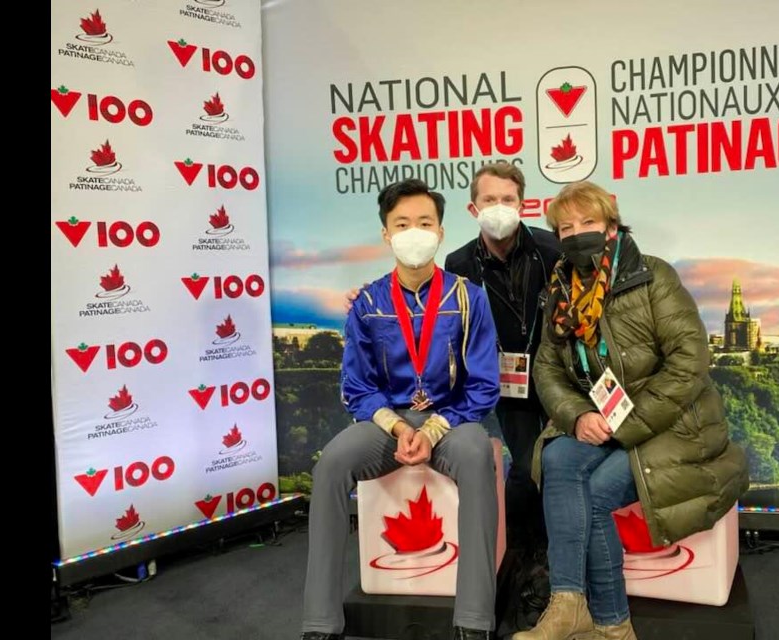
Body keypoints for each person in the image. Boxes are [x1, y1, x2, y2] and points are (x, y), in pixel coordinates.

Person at [516, 181, 750, 640]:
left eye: (588, 222)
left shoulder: (653, 276)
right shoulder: (559, 293)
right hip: (602, 422)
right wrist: (577, 416)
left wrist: (627, 421)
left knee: (598, 493)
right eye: (566, 227)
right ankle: (568, 603)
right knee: (558, 458)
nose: (577, 232)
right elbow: (547, 367)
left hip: (675, 425)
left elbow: (690, 358)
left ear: (610, 225)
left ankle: (612, 625)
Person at [301, 178, 501, 640]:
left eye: (425, 222)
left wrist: (432, 430)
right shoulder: (369, 302)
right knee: (330, 465)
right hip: (386, 424)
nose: (415, 232)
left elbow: (484, 384)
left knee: (475, 458)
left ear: (441, 232)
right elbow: (356, 386)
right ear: (387, 234)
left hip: (453, 420)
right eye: (403, 224)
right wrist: (395, 427)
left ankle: (474, 621)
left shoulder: (469, 298)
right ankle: (320, 623)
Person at [445, 161, 561, 553]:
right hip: (506, 382)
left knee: (564, 463)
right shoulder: (458, 264)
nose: (499, 207)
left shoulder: (553, 249)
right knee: (528, 469)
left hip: (559, 376)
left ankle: (562, 552)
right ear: (473, 208)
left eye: (508, 199)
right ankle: (525, 555)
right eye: (489, 199)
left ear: (523, 205)